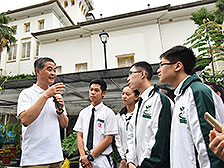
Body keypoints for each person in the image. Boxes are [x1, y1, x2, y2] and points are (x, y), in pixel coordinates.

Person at [157, 45, 224, 168]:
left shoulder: (196, 92)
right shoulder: (181, 95)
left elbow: (206, 142)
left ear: (178, 66)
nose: (158, 70)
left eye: (162, 64)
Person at [17, 57, 69, 167]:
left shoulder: (57, 95)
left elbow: (65, 124)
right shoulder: (26, 94)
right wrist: (45, 95)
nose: (53, 73)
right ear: (38, 71)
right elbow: (25, 120)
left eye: (55, 70)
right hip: (34, 160)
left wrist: (60, 111)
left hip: (55, 158)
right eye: (49, 69)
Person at [126, 61, 173, 168]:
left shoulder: (160, 100)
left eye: (131, 73)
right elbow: (131, 135)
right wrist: (130, 161)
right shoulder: (139, 103)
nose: (128, 78)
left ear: (142, 74)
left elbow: (160, 138)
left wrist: (146, 164)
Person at [74, 79, 118, 168]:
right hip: (84, 160)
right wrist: (83, 157)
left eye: (96, 90)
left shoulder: (108, 113)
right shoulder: (83, 112)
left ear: (103, 93)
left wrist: (90, 157)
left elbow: (108, 139)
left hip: (101, 159)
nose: (92, 92)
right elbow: (79, 136)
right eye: (91, 90)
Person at [114, 85, 139, 168]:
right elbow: (117, 139)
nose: (124, 96)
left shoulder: (140, 115)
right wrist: (122, 158)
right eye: (123, 94)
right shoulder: (118, 117)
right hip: (123, 160)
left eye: (127, 94)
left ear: (136, 97)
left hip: (138, 159)